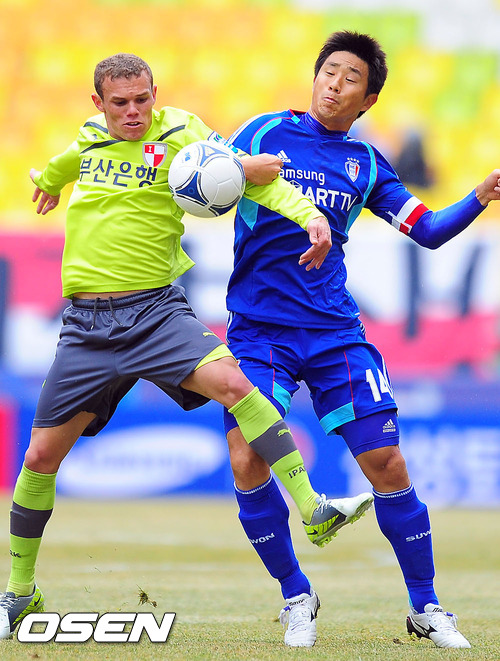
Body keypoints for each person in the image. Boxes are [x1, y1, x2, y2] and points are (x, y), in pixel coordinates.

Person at [0, 53, 374, 640]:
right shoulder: (89, 139)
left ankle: (312, 507)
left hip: (155, 312)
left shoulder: (181, 132)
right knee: (39, 459)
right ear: (98, 103)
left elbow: (252, 177)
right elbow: (67, 161)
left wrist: (309, 216)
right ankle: (20, 591)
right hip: (86, 328)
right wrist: (49, 180)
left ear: (155, 93)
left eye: (142, 99)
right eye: (120, 103)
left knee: (236, 385)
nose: (133, 112)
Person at [224, 30, 500, 649]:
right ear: (315, 76)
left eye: (351, 79)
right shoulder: (264, 132)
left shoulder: (367, 164)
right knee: (246, 453)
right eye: (329, 71)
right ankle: (296, 594)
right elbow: (205, 180)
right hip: (260, 331)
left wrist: (480, 196)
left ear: (368, 100)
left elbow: (428, 230)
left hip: (334, 334)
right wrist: (236, 169)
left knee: (387, 463)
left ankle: (427, 606)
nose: (335, 84)